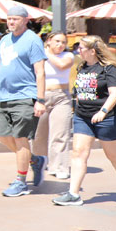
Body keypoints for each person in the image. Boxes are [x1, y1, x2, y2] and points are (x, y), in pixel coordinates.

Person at [53, 36, 116, 206]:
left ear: (92, 51)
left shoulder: (109, 69)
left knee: (114, 156)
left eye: (82, 47)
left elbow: (114, 93)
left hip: (107, 118)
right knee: (78, 153)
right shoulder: (82, 67)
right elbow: (80, 91)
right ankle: (73, 194)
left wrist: (103, 111)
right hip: (83, 117)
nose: (78, 50)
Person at [0, 5, 47, 198]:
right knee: (3, 136)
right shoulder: (4, 40)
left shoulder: (33, 41)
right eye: (9, 18)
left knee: (21, 140)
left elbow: (40, 71)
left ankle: (21, 182)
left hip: (24, 96)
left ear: (25, 20)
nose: (11, 22)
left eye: (15, 19)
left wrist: (40, 99)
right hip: (4, 96)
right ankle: (34, 161)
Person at [31, 32, 74, 181]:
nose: (60, 45)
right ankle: (41, 162)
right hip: (42, 97)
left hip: (61, 97)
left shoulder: (68, 56)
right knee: (38, 135)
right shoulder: (39, 56)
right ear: (49, 41)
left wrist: (45, 51)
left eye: (63, 42)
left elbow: (61, 66)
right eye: (57, 41)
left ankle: (60, 167)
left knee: (60, 134)